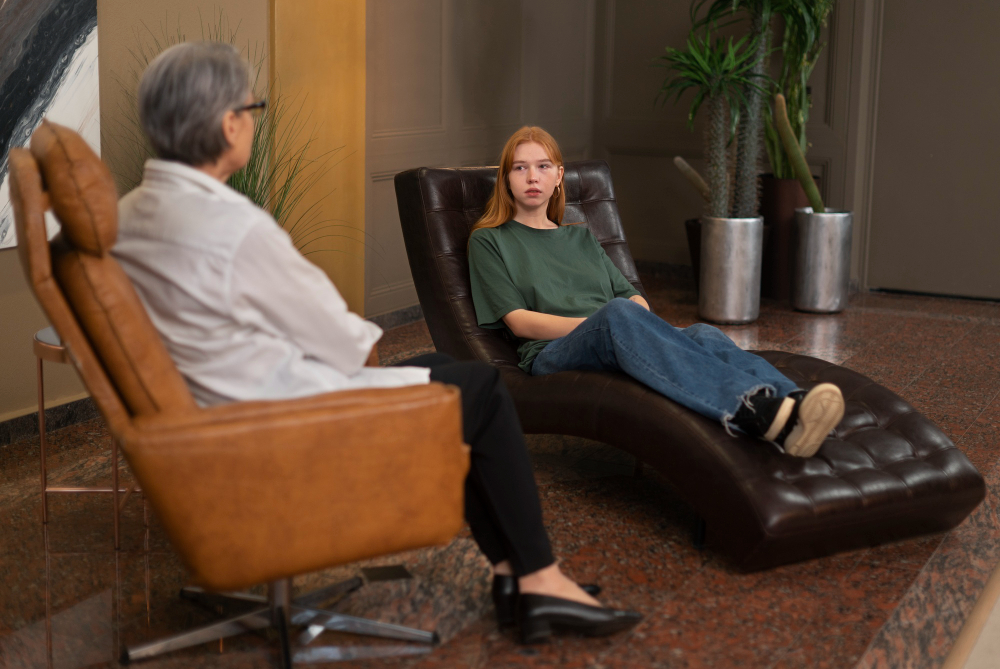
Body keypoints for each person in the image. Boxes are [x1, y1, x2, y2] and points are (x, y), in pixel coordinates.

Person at [111, 42, 640, 645]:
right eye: (252, 110)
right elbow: (346, 343)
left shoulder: (129, 213)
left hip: (215, 415)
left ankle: (510, 574)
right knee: (483, 389)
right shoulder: (233, 227)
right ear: (229, 123)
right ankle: (539, 579)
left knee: (443, 366)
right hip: (276, 424)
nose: (253, 123)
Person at [468, 126, 845, 457]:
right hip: (553, 352)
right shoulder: (489, 241)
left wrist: (622, 321)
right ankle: (752, 411)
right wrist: (601, 324)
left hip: (614, 331)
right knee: (618, 314)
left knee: (703, 333)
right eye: (520, 168)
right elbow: (518, 323)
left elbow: (633, 297)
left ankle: (795, 404)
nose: (532, 176)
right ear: (506, 179)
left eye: (543, 166)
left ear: (559, 176)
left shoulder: (580, 237)